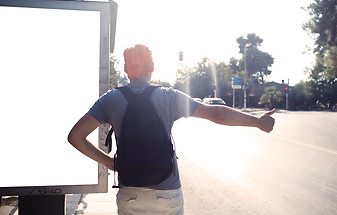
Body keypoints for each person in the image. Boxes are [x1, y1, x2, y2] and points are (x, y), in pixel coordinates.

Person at [68, 44, 275, 215]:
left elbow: (75, 137)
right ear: (152, 68)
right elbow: (215, 113)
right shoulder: (168, 96)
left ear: (126, 70)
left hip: (130, 193)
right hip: (167, 193)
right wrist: (257, 121)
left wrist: (109, 162)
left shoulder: (110, 99)